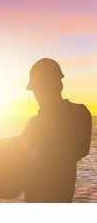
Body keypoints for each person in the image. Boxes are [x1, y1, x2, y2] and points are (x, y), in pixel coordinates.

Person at [20, 58, 92, 202]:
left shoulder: (78, 114)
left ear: (57, 85)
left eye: (40, 88)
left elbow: (77, 150)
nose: (37, 94)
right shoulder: (79, 114)